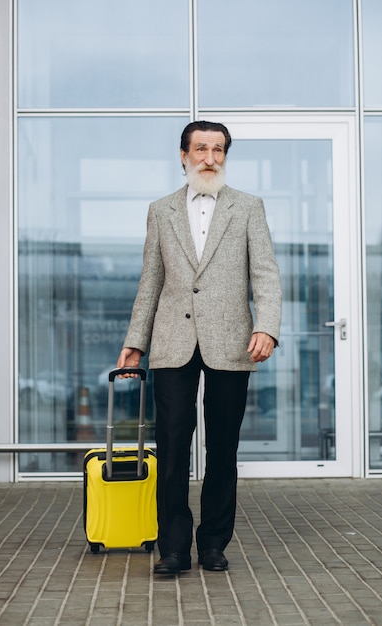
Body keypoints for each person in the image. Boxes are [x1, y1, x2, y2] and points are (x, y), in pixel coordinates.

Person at [117, 120, 282, 575]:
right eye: (201, 149)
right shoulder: (161, 210)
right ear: (183, 155)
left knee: (223, 448)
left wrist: (266, 326)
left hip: (232, 340)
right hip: (172, 340)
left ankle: (212, 544)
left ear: (225, 155)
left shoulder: (248, 207)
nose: (210, 157)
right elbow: (150, 280)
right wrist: (136, 342)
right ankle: (172, 548)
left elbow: (265, 273)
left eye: (219, 149)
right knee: (170, 445)